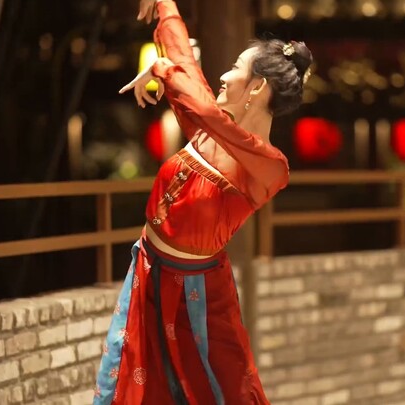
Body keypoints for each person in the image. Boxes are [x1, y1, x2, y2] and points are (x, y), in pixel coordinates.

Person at [94, 0, 312, 403]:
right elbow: (186, 68)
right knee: (128, 387)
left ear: (258, 87)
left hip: (200, 293)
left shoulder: (269, 167)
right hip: (148, 271)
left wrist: (164, 71)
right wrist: (165, 6)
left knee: (220, 391)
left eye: (236, 68)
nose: (224, 75)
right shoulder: (209, 128)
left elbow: (201, 102)